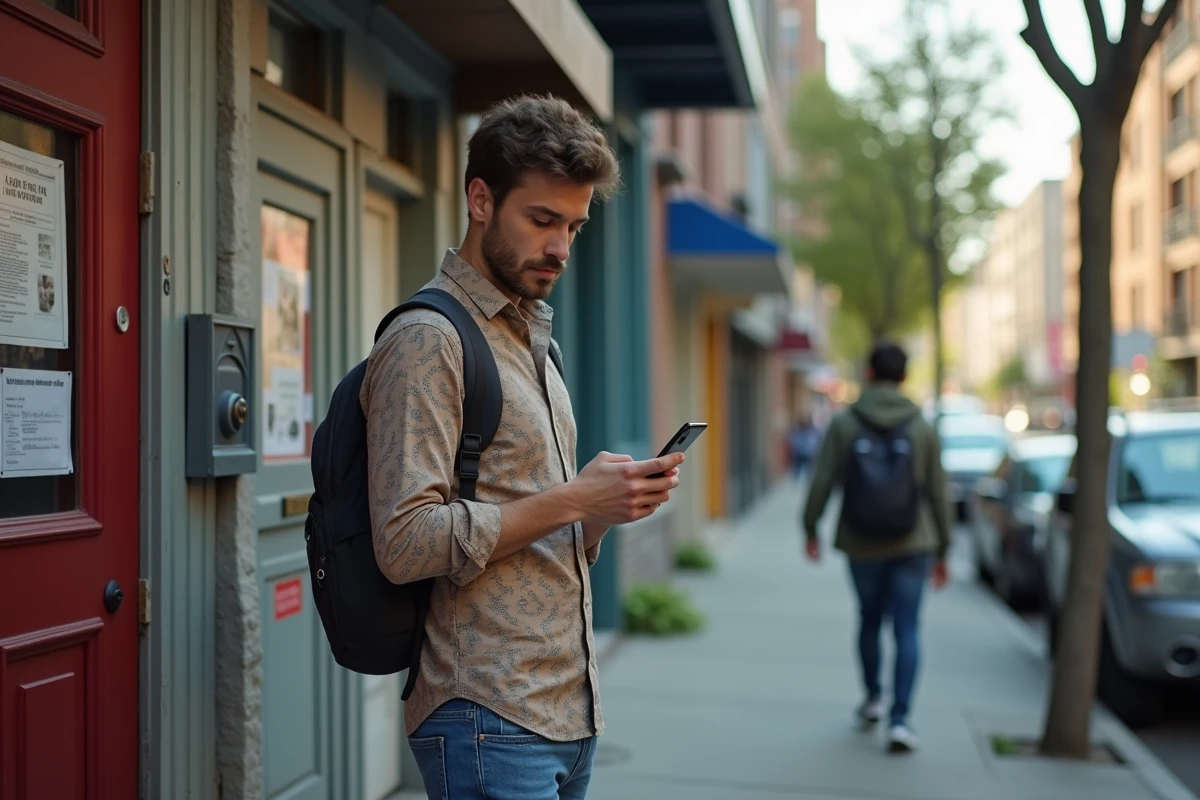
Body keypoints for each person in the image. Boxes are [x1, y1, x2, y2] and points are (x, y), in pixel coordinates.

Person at [360, 94, 684, 800]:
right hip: (487, 714)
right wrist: (573, 498)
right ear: (480, 200)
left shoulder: (533, 339)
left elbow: (537, 531)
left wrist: (601, 510)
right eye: (542, 220)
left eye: (574, 225)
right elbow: (404, 541)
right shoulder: (429, 340)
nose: (561, 247)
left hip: (566, 708)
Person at [800, 341, 950, 754]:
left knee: (869, 620)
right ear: (904, 376)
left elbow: (822, 481)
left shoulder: (845, 423)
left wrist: (810, 528)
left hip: (861, 540)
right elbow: (939, 492)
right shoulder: (922, 427)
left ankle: (872, 698)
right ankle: (901, 721)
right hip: (914, 542)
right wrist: (944, 550)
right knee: (907, 628)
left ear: (868, 373)